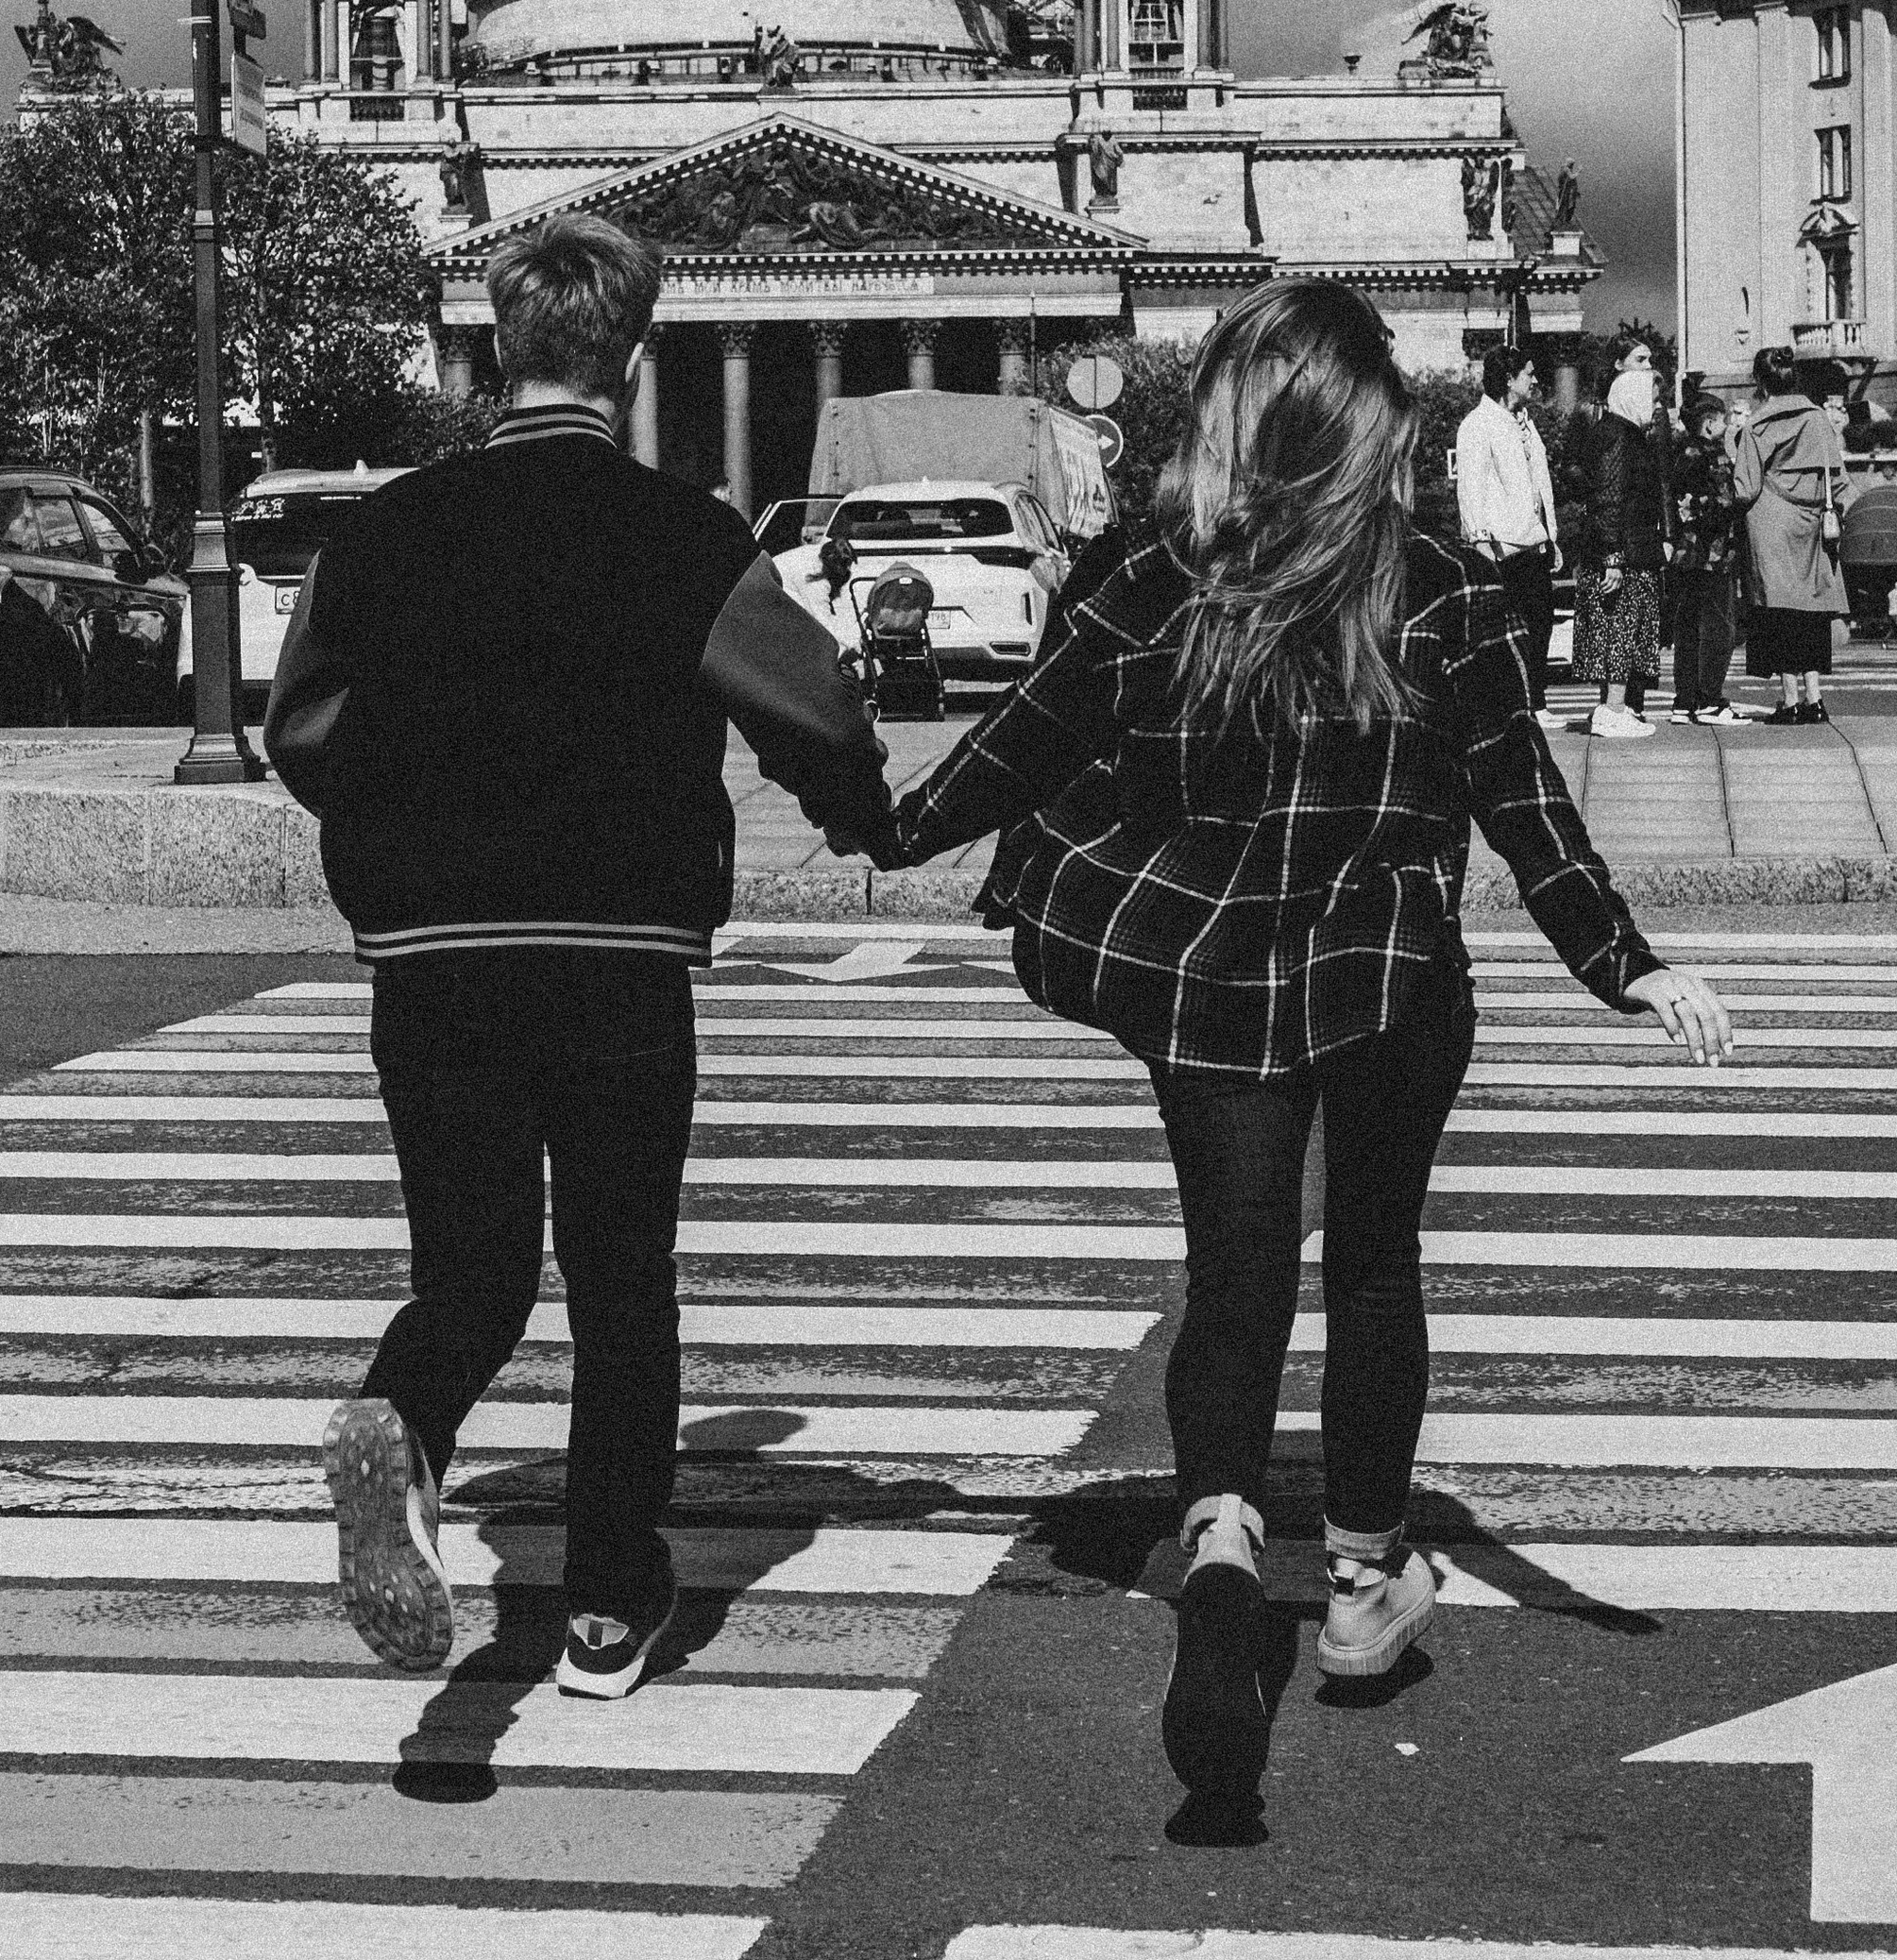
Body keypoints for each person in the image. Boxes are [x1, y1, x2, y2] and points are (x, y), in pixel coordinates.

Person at [872, 280, 1729, 1811]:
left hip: (1203, 963)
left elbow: (1021, 747)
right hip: (1387, 969)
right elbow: (1523, 802)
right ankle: (1357, 1577)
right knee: (1375, 1264)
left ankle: (1214, 1533)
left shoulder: (1154, 576)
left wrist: (884, 820)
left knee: (1239, 1262)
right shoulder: (1440, 587)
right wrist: (1628, 967)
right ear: (1372, 427)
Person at [264, 211, 895, 1700]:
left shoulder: (385, 531)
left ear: (496, 346)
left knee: (472, 1272)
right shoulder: (682, 536)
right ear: (635, 352)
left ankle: (406, 1426)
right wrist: (861, 815)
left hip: (436, 956)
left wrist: (414, 817)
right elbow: (810, 709)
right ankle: (610, 1602)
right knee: (623, 1278)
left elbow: (300, 728)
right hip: (618, 952)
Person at [1741, 347, 1848, 724]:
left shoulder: (1756, 426)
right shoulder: (1819, 419)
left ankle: (1789, 700)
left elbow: (1745, 487)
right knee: (1812, 610)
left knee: (1779, 610)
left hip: (1770, 519)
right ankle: (1815, 698)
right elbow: (1838, 478)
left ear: (1759, 380)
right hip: (1813, 519)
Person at [1453, 342, 1561, 712]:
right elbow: (1471, 486)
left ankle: (1536, 702)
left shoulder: (1526, 423)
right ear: (1508, 378)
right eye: (1528, 374)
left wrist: (1552, 536)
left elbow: (1538, 483)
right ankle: (1516, 705)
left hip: (1534, 543)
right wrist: (1480, 540)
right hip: (1501, 548)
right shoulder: (1477, 424)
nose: (1534, 380)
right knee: (1508, 632)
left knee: (1539, 625)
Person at [1571, 336, 1671, 736]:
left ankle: (1615, 708)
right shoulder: (1619, 437)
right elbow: (1609, 498)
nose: (1654, 403)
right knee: (1620, 630)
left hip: (1629, 549)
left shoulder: (1620, 433)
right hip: (1625, 552)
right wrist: (1612, 556)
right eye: (1649, 394)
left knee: (1624, 629)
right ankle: (1612, 709)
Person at [1667, 389, 1759, 726]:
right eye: (1724, 419)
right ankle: (1709, 699)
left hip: (1686, 552)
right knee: (1721, 625)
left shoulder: (1682, 453)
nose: (1729, 424)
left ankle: (1684, 699)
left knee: (1687, 625)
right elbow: (1724, 500)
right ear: (1708, 424)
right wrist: (1742, 500)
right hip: (1713, 551)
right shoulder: (1712, 455)